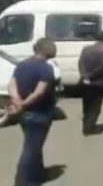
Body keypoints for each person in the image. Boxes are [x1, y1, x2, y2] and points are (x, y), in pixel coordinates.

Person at [9, 38, 58, 186]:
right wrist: (24, 104)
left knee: (34, 145)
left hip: (23, 114)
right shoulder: (46, 68)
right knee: (31, 149)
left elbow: (12, 84)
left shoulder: (22, 65)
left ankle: (37, 174)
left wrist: (17, 100)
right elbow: (39, 91)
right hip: (39, 112)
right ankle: (23, 181)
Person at [78, 31, 103, 135]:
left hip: (85, 81)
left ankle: (86, 125)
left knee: (86, 105)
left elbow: (80, 62)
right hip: (98, 82)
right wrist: (91, 76)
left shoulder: (86, 48)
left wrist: (84, 75)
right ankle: (89, 129)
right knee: (95, 106)